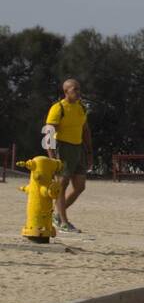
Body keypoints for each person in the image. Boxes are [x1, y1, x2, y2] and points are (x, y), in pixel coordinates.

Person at [44, 78, 92, 233]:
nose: (78, 92)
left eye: (79, 89)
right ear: (66, 92)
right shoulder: (58, 108)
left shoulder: (81, 108)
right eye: (74, 89)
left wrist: (89, 152)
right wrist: (52, 157)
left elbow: (85, 130)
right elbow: (49, 133)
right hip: (63, 148)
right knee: (62, 185)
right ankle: (64, 222)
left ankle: (58, 216)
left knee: (80, 186)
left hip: (78, 149)